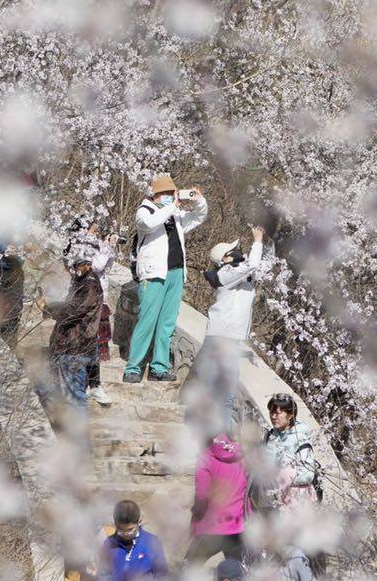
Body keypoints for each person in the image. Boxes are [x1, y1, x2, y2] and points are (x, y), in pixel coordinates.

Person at [124, 174, 207, 384]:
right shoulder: (144, 212)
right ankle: (133, 367)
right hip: (153, 274)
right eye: (168, 194)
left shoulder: (175, 216)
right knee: (147, 320)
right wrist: (172, 206)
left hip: (176, 273)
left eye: (173, 193)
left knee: (167, 323)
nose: (172, 197)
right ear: (156, 195)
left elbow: (198, 217)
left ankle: (159, 367)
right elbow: (149, 224)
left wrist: (198, 200)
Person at [187, 227, 270, 436]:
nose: (238, 253)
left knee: (227, 392)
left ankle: (219, 434)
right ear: (224, 259)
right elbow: (252, 263)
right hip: (220, 336)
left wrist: (268, 241)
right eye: (233, 251)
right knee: (212, 385)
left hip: (230, 338)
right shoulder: (226, 274)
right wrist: (257, 241)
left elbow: (257, 265)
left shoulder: (238, 273)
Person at [259, 394, 319, 581]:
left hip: (295, 504)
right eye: (272, 410)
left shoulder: (301, 438)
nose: (274, 415)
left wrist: (283, 475)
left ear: (290, 414)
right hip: (274, 501)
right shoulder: (270, 436)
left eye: (279, 411)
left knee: (293, 548)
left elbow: (308, 474)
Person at [64, 215, 118, 407]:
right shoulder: (77, 246)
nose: (96, 232)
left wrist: (108, 248)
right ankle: (84, 385)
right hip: (84, 300)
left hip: (97, 297)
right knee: (85, 342)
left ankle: (93, 385)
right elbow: (95, 266)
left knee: (94, 344)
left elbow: (107, 267)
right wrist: (106, 248)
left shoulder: (92, 245)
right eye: (93, 229)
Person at [47, 242, 102, 411]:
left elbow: (74, 310)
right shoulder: (81, 282)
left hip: (76, 347)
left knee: (74, 399)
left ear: (87, 265)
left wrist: (48, 307)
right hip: (71, 346)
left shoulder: (89, 286)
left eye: (75, 266)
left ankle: (77, 435)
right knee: (69, 398)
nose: (72, 270)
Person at [187, 432, 249, 564]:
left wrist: (195, 513)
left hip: (211, 528)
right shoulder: (242, 456)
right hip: (236, 527)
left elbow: (202, 496)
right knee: (239, 576)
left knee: (188, 571)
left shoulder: (205, 458)